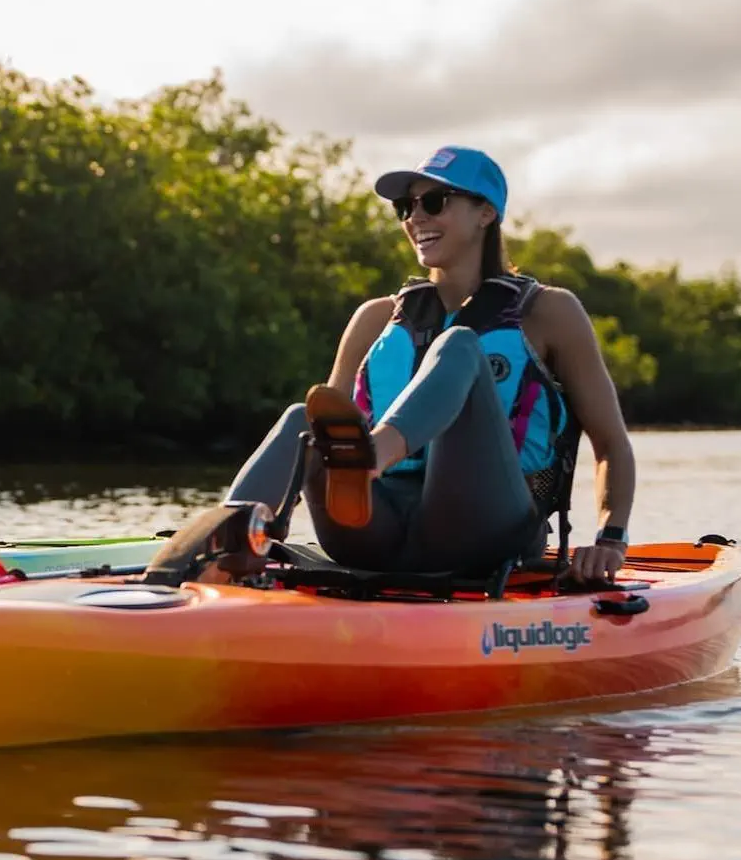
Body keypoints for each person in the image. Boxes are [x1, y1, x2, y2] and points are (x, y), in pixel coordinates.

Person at [225, 145, 635, 582]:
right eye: (406, 206)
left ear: (485, 214)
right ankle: (218, 545)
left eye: (434, 202)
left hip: (485, 528)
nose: (415, 218)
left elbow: (610, 444)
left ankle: (372, 454)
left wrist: (610, 539)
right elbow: (323, 436)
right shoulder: (375, 319)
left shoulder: (550, 312)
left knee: (458, 345)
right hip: (373, 531)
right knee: (302, 424)